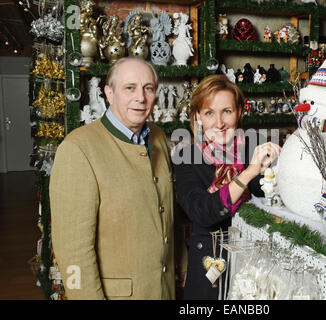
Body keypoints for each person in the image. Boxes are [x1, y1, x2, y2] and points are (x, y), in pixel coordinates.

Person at [50, 57, 186, 299]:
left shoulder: (158, 137)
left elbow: (167, 211)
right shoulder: (77, 149)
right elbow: (72, 252)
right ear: (109, 94)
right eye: (129, 88)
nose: (140, 98)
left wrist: (182, 264)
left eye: (148, 88)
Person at [172, 74, 281, 299]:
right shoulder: (186, 156)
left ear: (239, 112)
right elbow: (201, 211)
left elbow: (276, 202)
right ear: (197, 117)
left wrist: (282, 166)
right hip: (209, 268)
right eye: (209, 112)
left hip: (256, 267)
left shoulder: (256, 146)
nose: (219, 123)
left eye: (227, 112)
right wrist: (250, 171)